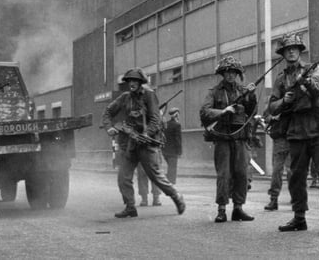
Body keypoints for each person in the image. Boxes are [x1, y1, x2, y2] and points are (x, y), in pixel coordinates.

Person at [269, 32, 319, 234]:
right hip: (296, 129)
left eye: (294, 49)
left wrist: (305, 81)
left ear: (299, 51)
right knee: (296, 177)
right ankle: (299, 217)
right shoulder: (281, 78)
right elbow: (272, 107)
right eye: (287, 50)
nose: (291, 52)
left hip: (318, 127)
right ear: (283, 54)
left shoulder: (313, 69)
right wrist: (284, 101)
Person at [101, 68, 185, 218]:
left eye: (135, 81)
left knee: (155, 176)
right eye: (129, 81)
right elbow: (108, 111)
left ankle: (176, 196)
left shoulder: (149, 95)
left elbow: (155, 119)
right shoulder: (125, 97)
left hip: (146, 143)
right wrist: (109, 127)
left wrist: (146, 133)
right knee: (123, 177)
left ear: (140, 82)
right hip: (131, 143)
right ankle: (130, 207)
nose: (132, 83)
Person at [200, 56, 258, 223]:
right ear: (222, 74)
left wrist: (251, 96)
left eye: (234, 72)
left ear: (237, 74)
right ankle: (222, 209)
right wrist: (223, 111)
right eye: (227, 72)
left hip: (241, 137)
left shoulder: (243, 90)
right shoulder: (214, 91)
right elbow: (205, 111)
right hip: (223, 137)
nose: (230, 75)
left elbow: (252, 112)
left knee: (242, 173)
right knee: (224, 174)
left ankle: (238, 208)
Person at [263, 103, 291, 211]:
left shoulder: (276, 100)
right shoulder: (277, 100)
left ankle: (276, 199)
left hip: (293, 137)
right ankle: (274, 198)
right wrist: (273, 118)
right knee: (278, 170)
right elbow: (266, 116)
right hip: (282, 137)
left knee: (289, 170)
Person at [162, 108, 182, 185]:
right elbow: (178, 140)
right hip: (173, 152)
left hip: (165, 151)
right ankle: (170, 185)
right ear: (176, 115)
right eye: (178, 114)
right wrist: (179, 152)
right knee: (172, 169)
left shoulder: (166, 124)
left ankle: (167, 181)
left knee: (170, 168)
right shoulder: (177, 125)